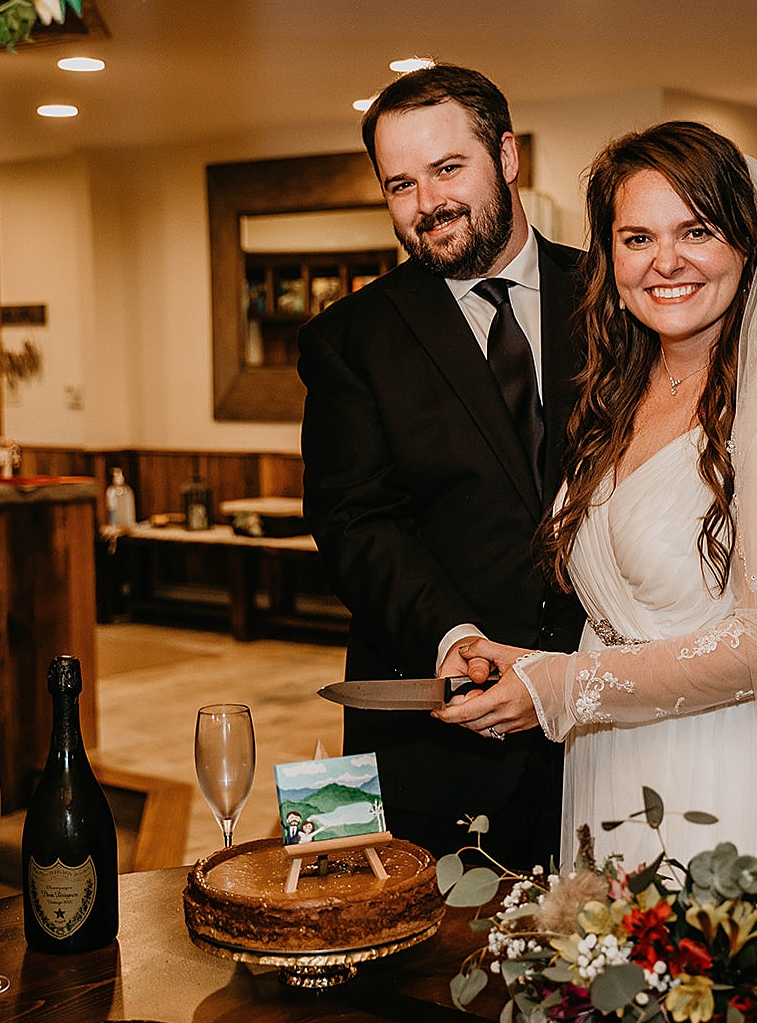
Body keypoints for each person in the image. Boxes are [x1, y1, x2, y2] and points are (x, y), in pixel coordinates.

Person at [437, 122, 757, 967]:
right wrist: (523, 663)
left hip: (740, 777)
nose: (665, 261)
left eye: (697, 231)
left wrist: (565, 687)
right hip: (614, 762)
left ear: (747, 244)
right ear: (608, 254)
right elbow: (621, 604)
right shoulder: (625, 384)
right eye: (637, 236)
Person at [298, 64, 585, 867]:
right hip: (441, 741)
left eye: (448, 169)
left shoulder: (611, 297)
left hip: (604, 725)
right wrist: (453, 637)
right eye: (399, 185)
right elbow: (355, 520)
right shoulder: (349, 339)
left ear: (508, 155)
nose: (427, 204)